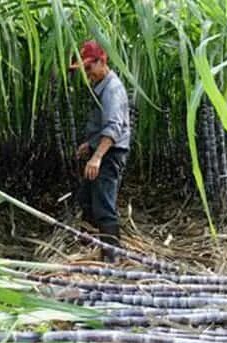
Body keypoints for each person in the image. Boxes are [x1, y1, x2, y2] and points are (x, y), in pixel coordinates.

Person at [71, 40, 130, 263]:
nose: (87, 75)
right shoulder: (103, 86)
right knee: (86, 198)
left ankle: (111, 256)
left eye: (89, 68)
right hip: (102, 150)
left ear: (101, 61)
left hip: (110, 154)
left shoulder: (112, 89)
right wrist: (90, 144)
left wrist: (96, 157)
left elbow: (115, 127)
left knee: (104, 203)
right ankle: (90, 245)